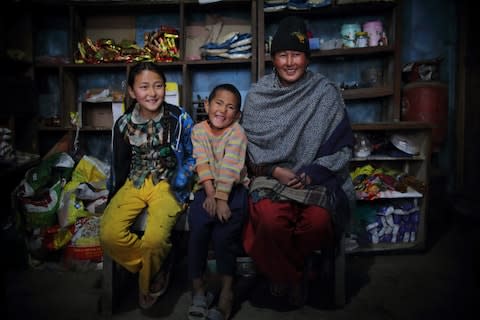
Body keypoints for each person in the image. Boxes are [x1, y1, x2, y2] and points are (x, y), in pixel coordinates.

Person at [240, 16, 355, 307]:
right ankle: (296, 276)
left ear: (307, 58)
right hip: (270, 175)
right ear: (273, 59)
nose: (290, 62)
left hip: (314, 177)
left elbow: (342, 148)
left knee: (316, 223)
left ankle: (283, 274)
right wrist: (274, 170)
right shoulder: (258, 96)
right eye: (282, 55)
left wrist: (312, 173)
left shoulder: (325, 93)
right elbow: (249, 151)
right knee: (270, 220)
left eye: (297, 54)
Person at [99, 61, 195, 310]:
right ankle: (156, 266)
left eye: (158, 86)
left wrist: (184, 188)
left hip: (168, 184)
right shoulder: (122, 123)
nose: (152, 93)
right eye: (144, 87)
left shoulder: (179, 118)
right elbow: (118, 163)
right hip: (135, 182)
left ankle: (147, 281)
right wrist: (112, 196)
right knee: (109, 234)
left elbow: (194, 155)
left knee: (155, 240)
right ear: (132, 92)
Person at [187, 84, 248, 320]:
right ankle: (199, 290)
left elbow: (231, 166)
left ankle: (226, 293)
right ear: (207, 106)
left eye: (231, 107)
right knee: (198, 231)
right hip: (207, 187)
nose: (223, 110)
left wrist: (221, 198)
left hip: (233, 190)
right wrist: (211, 194)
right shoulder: (198, 131)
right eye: (218, 103)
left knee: (225, 237)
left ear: (237, 115)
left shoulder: (237, 132)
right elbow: (201, 162)